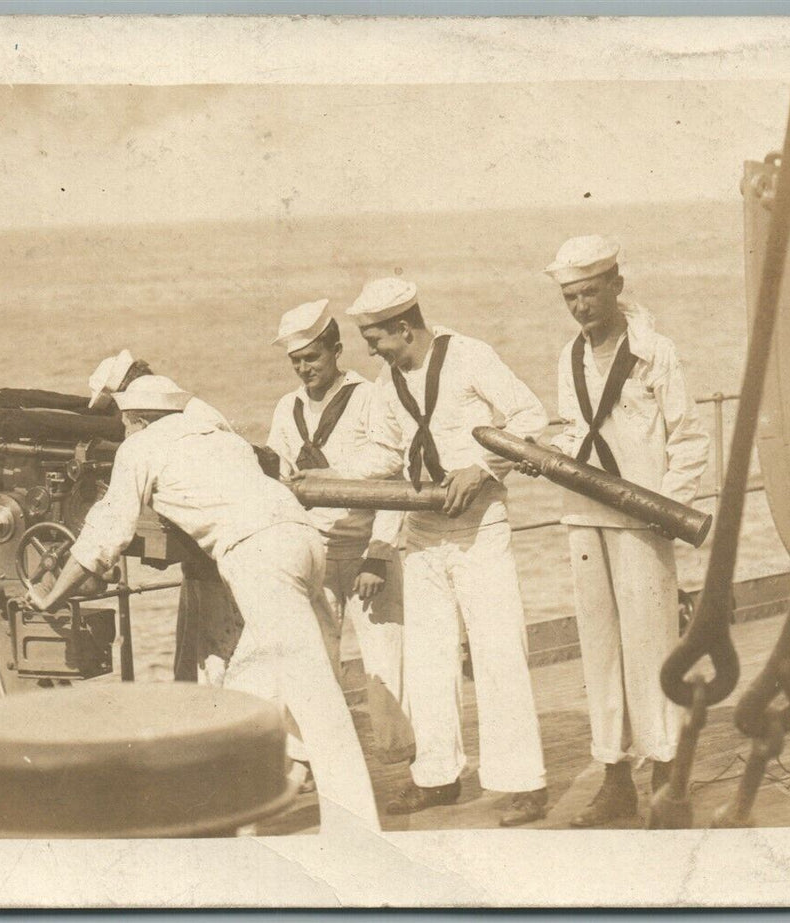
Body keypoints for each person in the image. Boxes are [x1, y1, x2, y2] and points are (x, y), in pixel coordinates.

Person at [27, 374, 381, 829]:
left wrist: (53, 596)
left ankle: (357, 829)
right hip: (305, 541)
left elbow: (105, 533)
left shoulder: (140, 447)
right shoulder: (222, 438)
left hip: (259, 556)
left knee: (316, 697)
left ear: (135, 419)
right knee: (253, 687)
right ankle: (240, 814)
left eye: (126, 424)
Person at [314, 276, 551, 827]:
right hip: (421, 532)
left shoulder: (470, 356)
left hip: (479, 529)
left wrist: (484, 466)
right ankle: (437, 776)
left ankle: (523, 784)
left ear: (403, 326)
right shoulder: (387, 379)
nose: (369, 348)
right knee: (427, 659)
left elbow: (529, 417)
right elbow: (384, 452)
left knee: (497, 653)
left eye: (375, 337)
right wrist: (330, 473)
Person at [542, 235, 709, 827]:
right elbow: (573, 431)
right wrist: (544, 454)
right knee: (600, 654)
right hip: (585, 518)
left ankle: (667, 774)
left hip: (644, 521)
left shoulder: (654, 352)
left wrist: (671, 508)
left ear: (615, 285)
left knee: (652, 647)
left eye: (590, 293)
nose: (582, 307)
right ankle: (616, 777)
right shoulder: (569, 358)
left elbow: (688, 439)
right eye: (570, 298)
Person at [267, 299, 417, 765]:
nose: (304, 369)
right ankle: (310, 758)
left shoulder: (370, 397)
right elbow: (279, 472)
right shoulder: (287, 407)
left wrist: (379, 550)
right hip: (314, 549)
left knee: (385, 659)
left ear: (335, 350)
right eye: (296, 362)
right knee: (311, 658)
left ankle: (403, 756)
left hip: (366, 547)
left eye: (312, 358)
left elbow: (395, 473)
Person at [88, 350, 242, 684]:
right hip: (205, 555)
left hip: (220, 556)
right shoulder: (186, 411)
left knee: (216, 662)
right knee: (192, 661)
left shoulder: (188, 419)